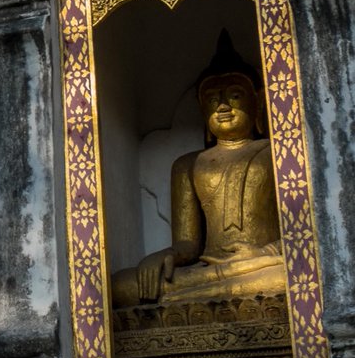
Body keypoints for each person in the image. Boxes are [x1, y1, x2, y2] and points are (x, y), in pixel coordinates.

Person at [112, 31, 285, 308]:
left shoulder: (278, 153)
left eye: (235, 95)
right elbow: (188, 245)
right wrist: (165, 256)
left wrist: (263, 253)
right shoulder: (187, 165)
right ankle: (208, 293)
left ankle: (195, 298)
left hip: (264, 265)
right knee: (119, 287)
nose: (224, 106)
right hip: (207, 270)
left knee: (291, 275)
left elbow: (301, 231)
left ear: (258, 102)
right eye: (213, 100)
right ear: (202, 110)